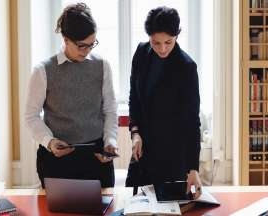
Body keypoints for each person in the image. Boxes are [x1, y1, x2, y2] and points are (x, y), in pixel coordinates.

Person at [25, 2, 118, 188]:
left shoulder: (102, 66)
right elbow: (31, 116)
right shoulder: (43, 71)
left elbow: (109, 109)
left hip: (96, 156)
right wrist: (49, 142)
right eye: (82, 46)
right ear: (66, 39)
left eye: (92, 44)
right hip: (56, 159)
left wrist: (110, 141)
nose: (87, 50)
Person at [126, 6, 202, 198]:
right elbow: (134, 97)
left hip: (173, 157)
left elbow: (192, 122)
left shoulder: (187, 67)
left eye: (168, 42)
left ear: (177, 35)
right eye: (155, 42)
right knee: (136, 207)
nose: (162, 48)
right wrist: (135, 133)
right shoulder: (141, 53)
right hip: (143, 153)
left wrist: (193, 168)